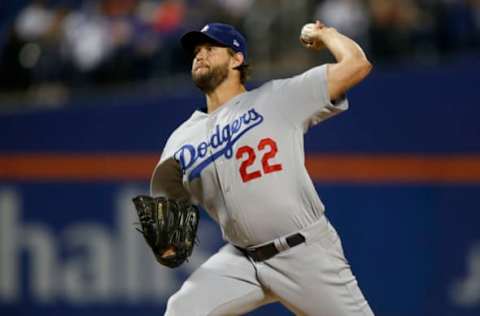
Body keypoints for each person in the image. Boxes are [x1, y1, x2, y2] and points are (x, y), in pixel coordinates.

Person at [151, 21, 374, 316]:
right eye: (196, 51)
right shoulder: (180, 139)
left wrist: (326, 34)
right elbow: (168, 202)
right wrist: (168, 237)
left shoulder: (277, 97)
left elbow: (356, 65)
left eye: (210, 48)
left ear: (237, 58)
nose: (199, 55)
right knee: (182, 309)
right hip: (241, 260)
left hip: (303, 251)